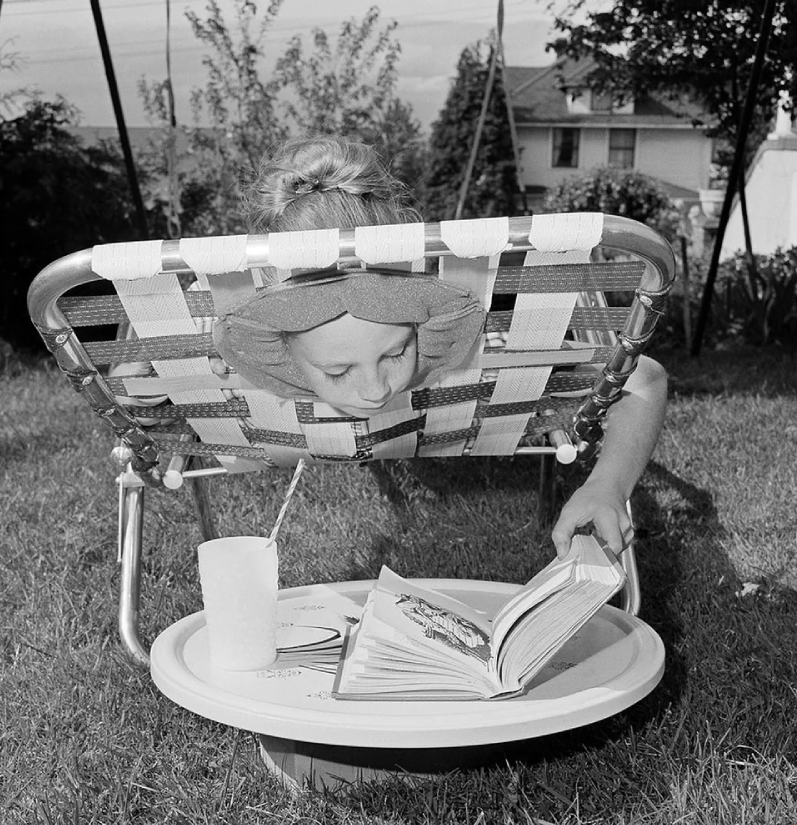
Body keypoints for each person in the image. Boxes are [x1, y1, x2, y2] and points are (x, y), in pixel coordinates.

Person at [116, 134, 668, 560]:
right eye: (338, 369)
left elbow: (135, 404)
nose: (376, 389)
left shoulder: (204, 375)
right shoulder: (502, 352)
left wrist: (606, 487)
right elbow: (642, 379)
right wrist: (607, 482)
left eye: (394, 353)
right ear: (281, 347)